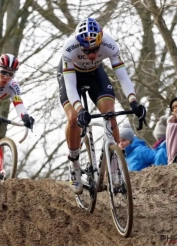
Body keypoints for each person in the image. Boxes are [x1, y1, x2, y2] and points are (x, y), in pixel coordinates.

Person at [57, 17, 146, 194]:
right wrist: (80, 108)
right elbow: (70, 87)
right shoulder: (69, 48)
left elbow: (123, 76)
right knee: (73, 118)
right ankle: (74, 163)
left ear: (101, 41)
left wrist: (133, 101)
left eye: (95, 49)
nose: (91, 55)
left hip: (95, 74)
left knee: (109, 113)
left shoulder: (110, 44)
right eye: (86, 50)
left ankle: (114, 168)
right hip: (71, 76)